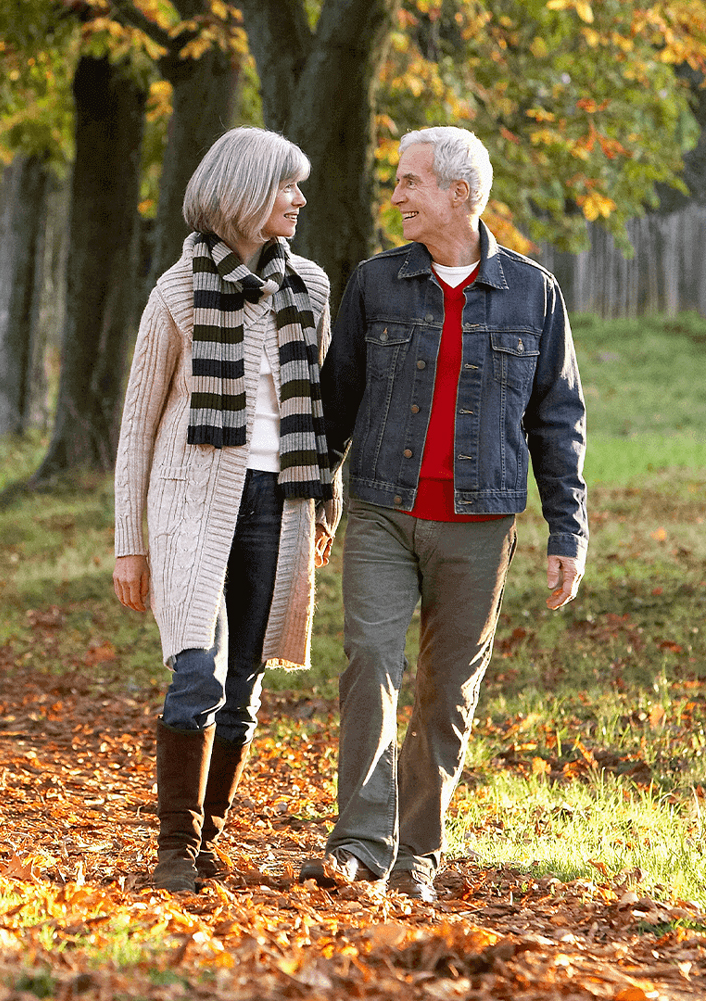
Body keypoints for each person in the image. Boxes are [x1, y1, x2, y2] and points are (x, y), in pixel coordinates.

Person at [299, 126, 587, 903]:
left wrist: (568, 530)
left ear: (458, 194)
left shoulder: (533, 291)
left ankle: (416, 853)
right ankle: (359, 840)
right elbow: (338, 400)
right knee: (369, 659)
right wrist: (320, 493)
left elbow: (558, 419)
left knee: (447, 690)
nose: (396, 198)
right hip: (383, 511)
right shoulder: (376, 282)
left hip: (480, 520)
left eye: (409, 183)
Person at [113, 126, 340, 894]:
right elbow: (138, 426)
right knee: (197, 670)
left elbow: (321, 413)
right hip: (190, 504)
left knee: (244, 680)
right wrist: (128, 543)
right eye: (287, 186)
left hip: (281, 503)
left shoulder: (310, 286)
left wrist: (324, 511)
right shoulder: (176, 291)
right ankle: (173, 846)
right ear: (244, 191)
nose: (300, 199)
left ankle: (208, 837)